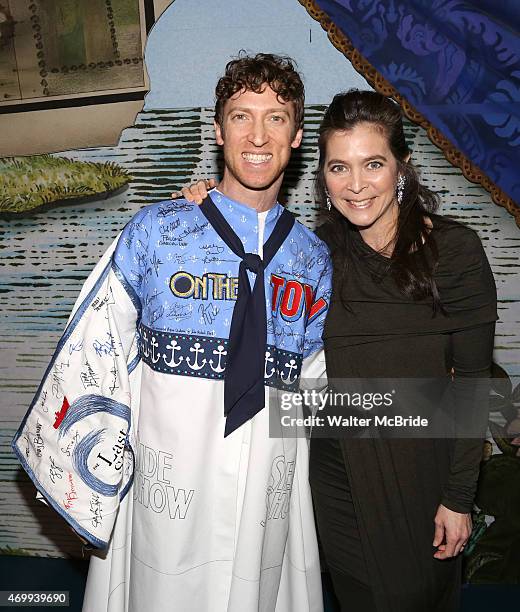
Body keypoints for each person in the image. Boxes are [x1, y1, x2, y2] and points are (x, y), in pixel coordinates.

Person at [12, 53, 332, 612]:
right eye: (241, 115)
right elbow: (95, 348)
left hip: (265, 486)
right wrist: (94, 465)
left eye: (276, 117)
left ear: (298, 135)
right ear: (217, 130)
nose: (257, 134)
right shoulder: (155, 233)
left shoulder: (312, 259)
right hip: (170, 482)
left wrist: (440, 410)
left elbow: (314, 386)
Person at [176, 90, 497, 612]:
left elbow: (475, 381)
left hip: (422, 473)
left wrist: (459, 497)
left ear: (402, 167)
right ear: (321, 176)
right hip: (338, 475)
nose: (356, 185)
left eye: (373, 164)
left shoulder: (456, 252)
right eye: (338, 167)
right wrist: (204, 209)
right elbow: (241, 264)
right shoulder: (311, 254)